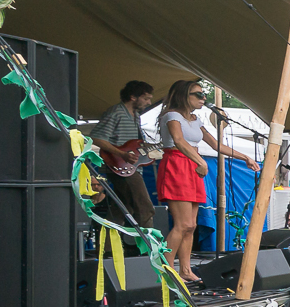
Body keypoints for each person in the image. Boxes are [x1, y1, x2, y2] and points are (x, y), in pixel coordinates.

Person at [154, 79, 254, 285]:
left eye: (203, 95)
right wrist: (200, 161)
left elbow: (216, 145)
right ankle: (166, 268)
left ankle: (186, 270)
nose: (203, 98)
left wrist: (245, 157)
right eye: (197, 94)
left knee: (191, 225)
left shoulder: (196, 119)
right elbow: (179, 141)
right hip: (177, 164)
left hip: (193, 166)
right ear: (184, 96)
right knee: (182, 224)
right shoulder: (171, 115)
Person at [90, 79, 159, 230]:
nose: (149, 102)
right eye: (146, 98)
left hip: (131, 167)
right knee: (145, 207)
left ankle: (107, 249)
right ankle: (149, 248)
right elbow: (97, 137)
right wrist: (122, 154)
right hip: (120, 166)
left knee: (122, 208)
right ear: (133, 97)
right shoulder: (116, 112)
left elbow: (134, 144)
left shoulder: (136, 115)